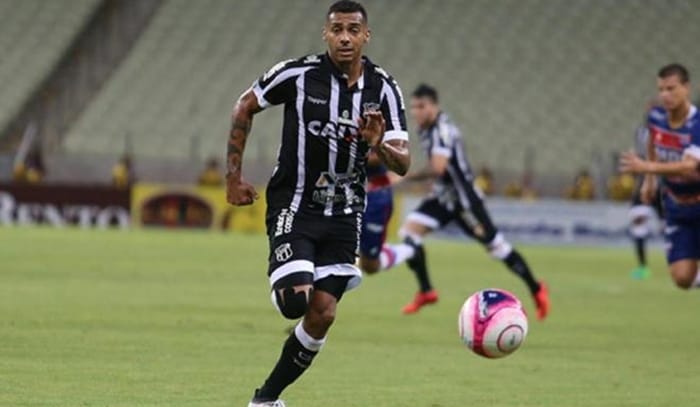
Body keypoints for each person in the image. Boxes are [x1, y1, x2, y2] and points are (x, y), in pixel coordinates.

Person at [225, 2, 410, 405]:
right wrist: (233, 177)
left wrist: (377, 143)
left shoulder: (384, 88)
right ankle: (290, 275)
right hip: (295, 205)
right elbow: (245, 105)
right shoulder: (297, 74)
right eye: (337, 29)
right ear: (325, 34)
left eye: (353, 30)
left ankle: (265, 399)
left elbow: (403, 163)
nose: (345, 37)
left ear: (366, 36)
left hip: (346, 213)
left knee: (323, 313)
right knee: (296, 303)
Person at [380, 84, 549, 319]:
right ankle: (426, 291)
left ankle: (537, 288)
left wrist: (404, 177)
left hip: (465, 201)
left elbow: (438, 167)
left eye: (421, 106)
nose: (416, 112)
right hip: (443, 198)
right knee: (409, 231)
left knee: (497, 247)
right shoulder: (425, 129)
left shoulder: (443, 130)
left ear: (434, 106)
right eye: (414, 107)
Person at [620, 63, 700, 290]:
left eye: (671, 88)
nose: (665, 95)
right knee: (682, 278)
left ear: (686, 88)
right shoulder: (656, 117)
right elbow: (653, 142)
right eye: (661, 89)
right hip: (677, 206)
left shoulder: (697, 124)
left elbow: (688, 167)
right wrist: (649, 180)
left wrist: (646, 166)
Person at [625, 103, 664, 280]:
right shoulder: (641, 132)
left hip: (665, 183)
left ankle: (684, 262)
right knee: (638, 218)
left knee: (673, 226)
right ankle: (642, 267)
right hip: (646, 181)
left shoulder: (672, 133)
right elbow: (642, 157)